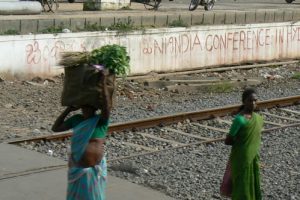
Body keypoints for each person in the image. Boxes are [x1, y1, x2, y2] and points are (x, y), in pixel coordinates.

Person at [52, 70, 110, 200]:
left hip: (95, 172)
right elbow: (55, 128)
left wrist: (104, 82)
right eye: (83, 107)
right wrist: (68, 109)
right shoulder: (76, 119)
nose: (85, 109)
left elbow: (107, 106)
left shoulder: (100, 121)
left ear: (94, 108)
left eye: (88, 107)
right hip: (77, 171)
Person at [224, 88, 264, 200]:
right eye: (250, 101)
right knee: (241, 184)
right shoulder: (239, 120)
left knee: (252, 181)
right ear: (244, 102)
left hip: (253, 157)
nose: (253, 103)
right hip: (241, 159)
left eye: (255, 100)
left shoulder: (259, 119)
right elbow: (228, 141)